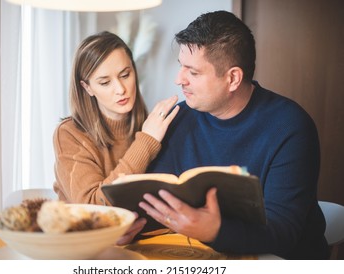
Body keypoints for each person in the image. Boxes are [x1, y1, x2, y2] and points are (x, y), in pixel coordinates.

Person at [137, 11, 329, 259]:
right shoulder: (177, 119)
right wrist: (132, 227)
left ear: (233, 79)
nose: (178, 80)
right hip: (203, 256)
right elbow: (157, 200)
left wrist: (215, 230)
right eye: (181, 67)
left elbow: (283, 232)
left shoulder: (291, 127)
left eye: (193, 72)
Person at [53, 31, 179, 227]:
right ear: (87, 88)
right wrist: (145, 143)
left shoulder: (149, 126)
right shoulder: (69, 134)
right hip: (84, 247)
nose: (120, 89)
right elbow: (93, 207)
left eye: (125, 74)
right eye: (105, 82)